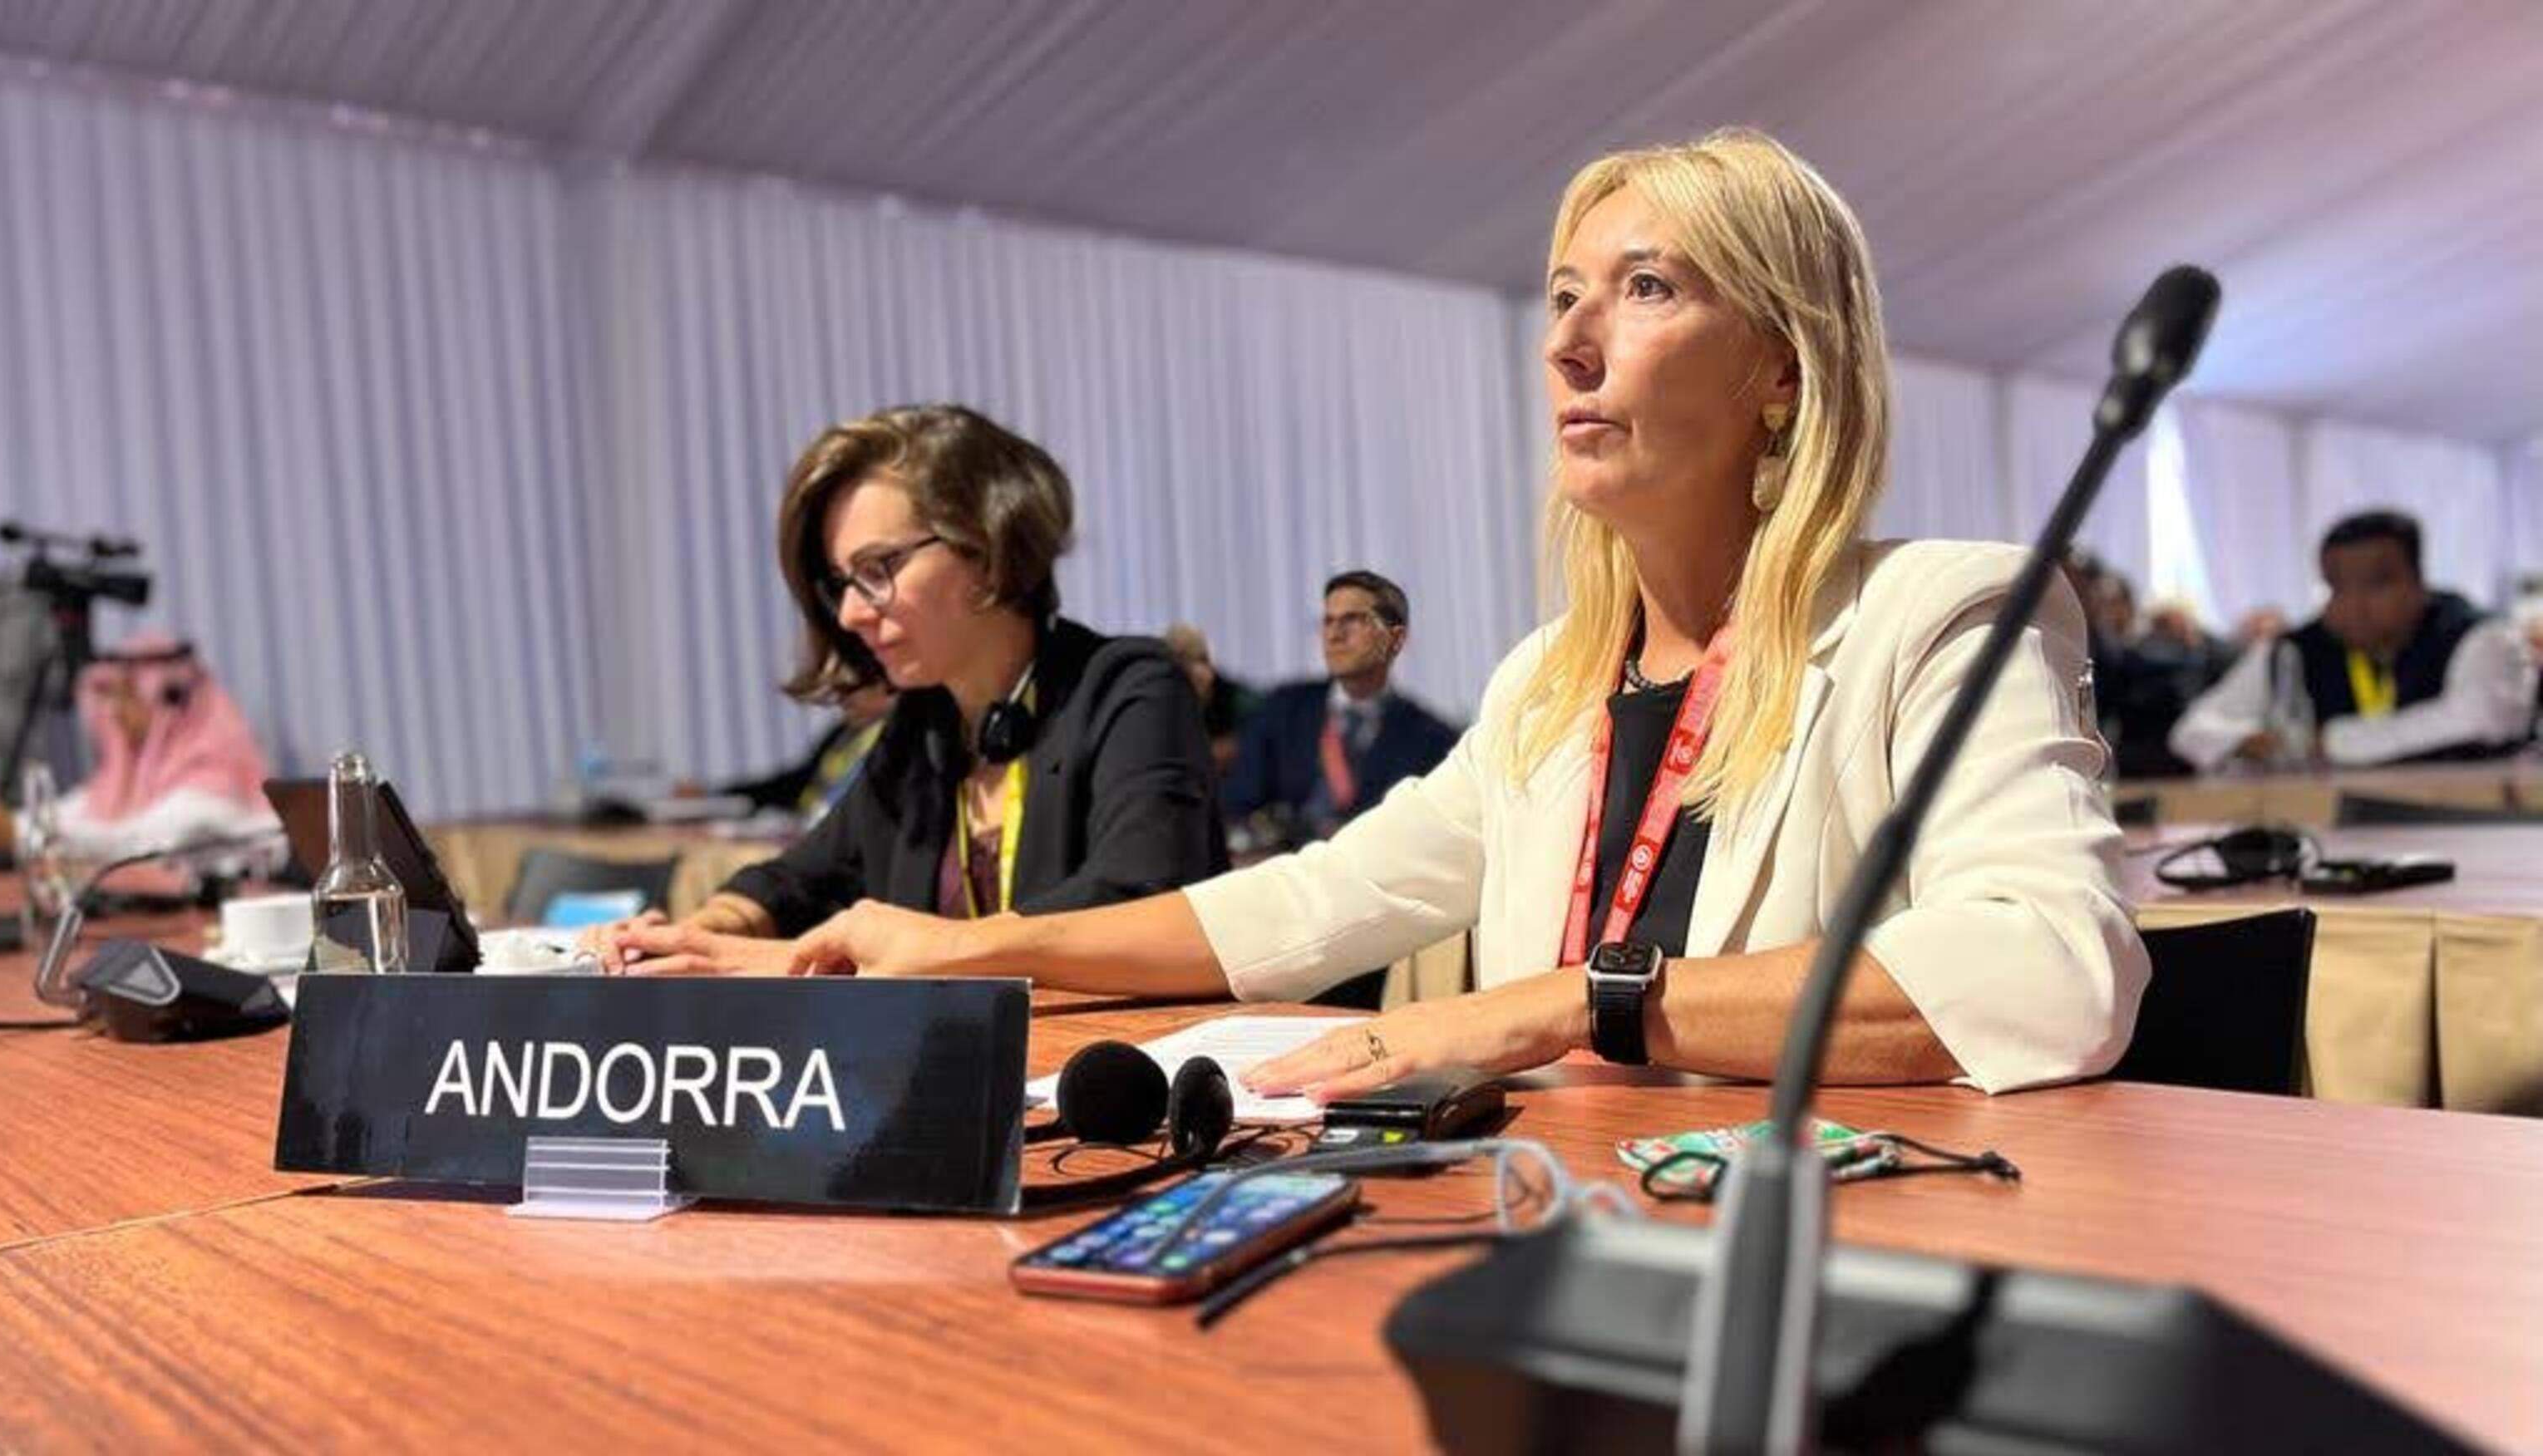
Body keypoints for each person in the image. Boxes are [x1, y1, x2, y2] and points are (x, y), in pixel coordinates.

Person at [775, 129, 2145, 1102]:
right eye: (1562, 298)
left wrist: (1561, 1003)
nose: (1565, 342)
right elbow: (1312, 905)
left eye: (1647, 288)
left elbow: (2045, 972)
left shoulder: (1945, 616)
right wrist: (958, 948)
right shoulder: (1552, 679)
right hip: (1570, 1221)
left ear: (1781, 370)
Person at [583, 405, 1229, 974]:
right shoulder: (925, 728)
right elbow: (801, 877)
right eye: (842, 582)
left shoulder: (1129, 688)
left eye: (879, 569)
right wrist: (706, 932)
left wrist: (802, 961)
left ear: (988, 548)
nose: (850, 614)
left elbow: (1136, 902)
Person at [2169, 510, 2536, 770]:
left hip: (2474, 831)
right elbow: (2192, 731)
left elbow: (2483, 719)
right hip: (2336, 837)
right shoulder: (2295, 649)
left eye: (2377, 584)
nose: (2353, 605)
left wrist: (2326, 742)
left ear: (2418, 582)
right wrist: (2249, 740)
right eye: (2336, 587)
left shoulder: (2482, 636)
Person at [0, 636, 279, 863]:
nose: (113, 713)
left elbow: (138, 844)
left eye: (126, 698)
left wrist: (15, 833)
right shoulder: (128, 774)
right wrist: (7, 823)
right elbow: (68, 814)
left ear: (168, 700)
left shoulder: (213, 772)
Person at [1221, 570, 1458, 843]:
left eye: (1352, 621)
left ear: (1395, 639)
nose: (1334, 634)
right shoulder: (1281, 711)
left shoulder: (1432, 740)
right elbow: (1238, 806)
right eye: (1328, 621)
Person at [711, 676, 897, 823]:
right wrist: (717, 795)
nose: (840, 696)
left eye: (851, 687)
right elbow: (796, 783)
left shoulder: (897, 734)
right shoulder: (844, 731)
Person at [1161, 622, 1256, 775]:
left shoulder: (1238, 697)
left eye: (1200, 659)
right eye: (1181, 661)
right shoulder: (1162, 701)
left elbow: (1259, 740)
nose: (1194, 670)